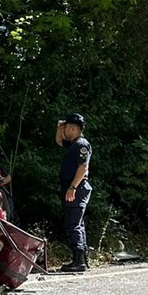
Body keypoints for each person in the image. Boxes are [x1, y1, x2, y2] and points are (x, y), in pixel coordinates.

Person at [55, 113, 92, 272]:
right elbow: (59, 141)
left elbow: (83, 167)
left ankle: (79, 261)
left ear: (73, 128)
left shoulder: (81, 145)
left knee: (73, 224)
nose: (65, 132)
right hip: (74, 188)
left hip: (77, 189)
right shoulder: (74, 144)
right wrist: (59, 127)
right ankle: (82, 258)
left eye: (67, 129)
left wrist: (73, 187)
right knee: (77, 223)